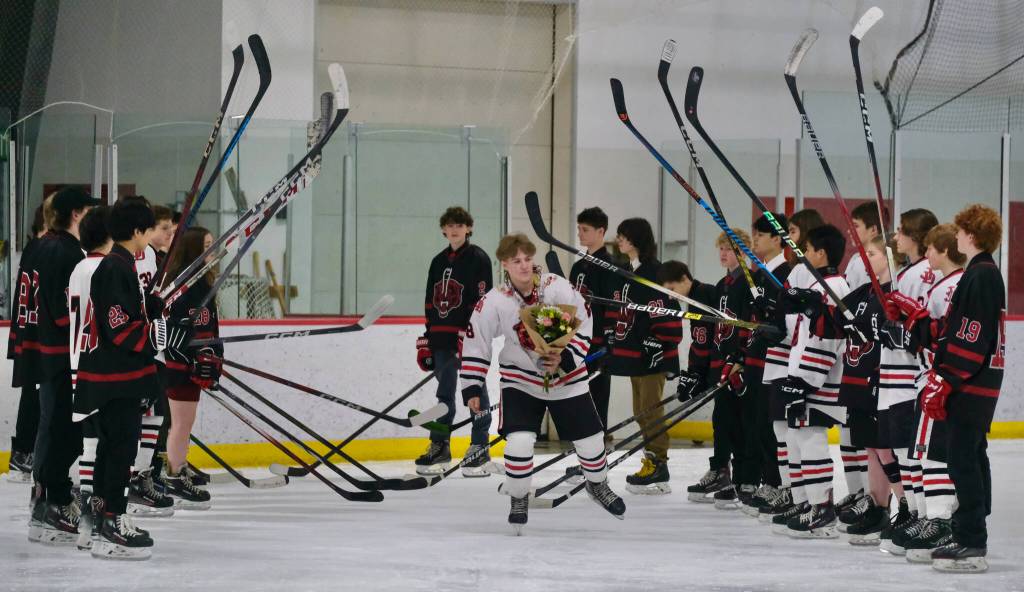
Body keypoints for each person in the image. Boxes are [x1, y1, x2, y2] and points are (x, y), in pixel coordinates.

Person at [460, 233, 624, 534]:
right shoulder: (495, 300)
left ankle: (597, 485)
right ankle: (519, 499)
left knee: (591, 443)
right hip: (520, 381)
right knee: (520, 442)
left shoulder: (556, 287)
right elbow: (476, 340)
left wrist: (566, 357)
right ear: (505, 264)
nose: (523, 266)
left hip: (567, 381)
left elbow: (585, 318)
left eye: (527, 259)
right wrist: (472, 385)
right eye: (515, 261)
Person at [73, 199, 184, 560]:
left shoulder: (119, 265)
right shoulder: (116, 267)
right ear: (137, 232)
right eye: (150, 228)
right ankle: (114, 521)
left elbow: (121, 313)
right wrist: (154, 333)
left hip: (112, 376)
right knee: (121, 450)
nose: (152, 234)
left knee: (111, 449)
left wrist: (147, 307)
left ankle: (104, 516)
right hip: (116, 377)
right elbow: (119, 326)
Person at [921, 204, 1004, 573]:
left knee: (962, 459)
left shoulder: (981, 275)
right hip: (974, 382)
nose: (955, 235)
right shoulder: (980, 272)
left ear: (971, 235)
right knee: (970, 455)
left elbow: (973, 336)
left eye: (960, 230)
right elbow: (959, 329)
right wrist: (922, 326)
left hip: (972, 385)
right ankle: (970, 529)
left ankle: (972, 538)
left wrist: (947, 376)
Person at [24, 187, 100, 546]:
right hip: (61, 355)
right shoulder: (67, 252)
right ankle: (54, 499)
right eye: (88, 211)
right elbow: (62, 312)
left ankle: (44, 498)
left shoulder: (39, 244)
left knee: (51, 424)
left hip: (40, 350)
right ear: (76, 214)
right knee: (64, 429)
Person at [893, 223, 965, 562]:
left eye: (932, 250)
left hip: (936, 379)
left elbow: (935, 336)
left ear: (945, 252)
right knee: (926, 452)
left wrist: (912, 323)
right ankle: (931, 518)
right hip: (938, 378)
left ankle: (938, 522)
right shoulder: (953, 284)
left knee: (931, 453)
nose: (927, 255)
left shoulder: (947, 287)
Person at [775, 224, 850, 538]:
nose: (803, 256)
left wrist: (806, 379)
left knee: (810, 438)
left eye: (807, 250)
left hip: (818, 379)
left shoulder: (835, 287)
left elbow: (830, 338)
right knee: (795, 438)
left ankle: (823, 507)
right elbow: (804, 332)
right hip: (802, 373)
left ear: (821, 253)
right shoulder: (820, 285)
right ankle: (805, 501)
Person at [876, 208, 939, 554]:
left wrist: (897, 335)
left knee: (911, 451)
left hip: (907, 377)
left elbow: (924, 327)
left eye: (901, 231)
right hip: (893, 376)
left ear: (915, 236)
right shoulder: (907, 272)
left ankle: (922, 514)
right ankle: (911, 511)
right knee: (901, 450)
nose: (895, 238)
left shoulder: (921, 274)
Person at [605, 218, 682, 495]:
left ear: (637, 239)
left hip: (652, 357)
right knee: (641, 411)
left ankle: (659, 465)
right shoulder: (628, 270)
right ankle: (651, 460)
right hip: (635, 353)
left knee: (651, 410)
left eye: (623, 236)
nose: (619, 240)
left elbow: (667, 309)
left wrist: (659, 341)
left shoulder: (655, 271)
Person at [416, 206, 493, 476]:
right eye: (450, 226)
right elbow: (429, 300)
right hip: (441, 338)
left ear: (468, 228)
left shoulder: (478, 258)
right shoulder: (437, 261)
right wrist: (428, 337)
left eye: (460, 225)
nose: (455, 230)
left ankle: (480, 444)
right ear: (443, 230)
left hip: (469, 338)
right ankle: (440, 445)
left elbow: (484, 300)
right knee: (444, 394)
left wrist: (471, 332)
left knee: (474, 389)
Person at [161, 226, 221, 510]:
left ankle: (178, 468)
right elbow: (175, 330)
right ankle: (174, 475)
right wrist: (194, 357)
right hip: (180, 364)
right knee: (182, 424)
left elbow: (209, 327)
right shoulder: (185, 284)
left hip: (192, 361)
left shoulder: (203, 281)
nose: (213, 251)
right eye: (207, 245)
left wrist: (213, 356)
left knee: (185, 422)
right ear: (194, 250)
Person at [740, 212, 792, 516]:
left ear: (777, 238)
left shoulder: (784, 273)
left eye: (761, 234)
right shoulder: (759, 274)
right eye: (754, 234)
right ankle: (767, 478)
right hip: (758, 356)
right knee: (758, 422)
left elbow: (783, 322)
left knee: (772, 424)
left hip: (777, 360)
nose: (755, 239)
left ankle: (776, 481)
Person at [67, 206, 112, 550]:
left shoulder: (78, 268)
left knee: (90, 440)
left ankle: (86, 516)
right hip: (102, 367)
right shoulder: (107, 268)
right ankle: (100, 513)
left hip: (76, 364)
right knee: (111, 442)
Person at [705, 229, 758, 510]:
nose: (724, 253)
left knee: (744, 423)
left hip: (740, 366)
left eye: (729, 248)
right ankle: (728, 477)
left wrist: (741, 357)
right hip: (722, 364)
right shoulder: (721, 285)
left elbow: (750, 324)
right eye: (721, 248)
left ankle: (747, 479)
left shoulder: (748, 284)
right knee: (723, 421)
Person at [5, 199, 51, 483]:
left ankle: (24, 451)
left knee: (34, 393)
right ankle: (23, 451)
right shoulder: (44, 249)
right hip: (35, 333)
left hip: (29, 331)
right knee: (35, 395)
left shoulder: (36, 248)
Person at [569, 206, 615, 431]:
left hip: (597, 346)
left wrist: (609, 342)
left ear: (601, 231)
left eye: (585, 229)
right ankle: (584, 457)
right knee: (577, 401)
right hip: (576, 343)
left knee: (597, 401)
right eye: (579, 229)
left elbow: (612, 308)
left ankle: (597, 458)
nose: (580, 234)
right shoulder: (578, 266)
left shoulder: (610, 267)